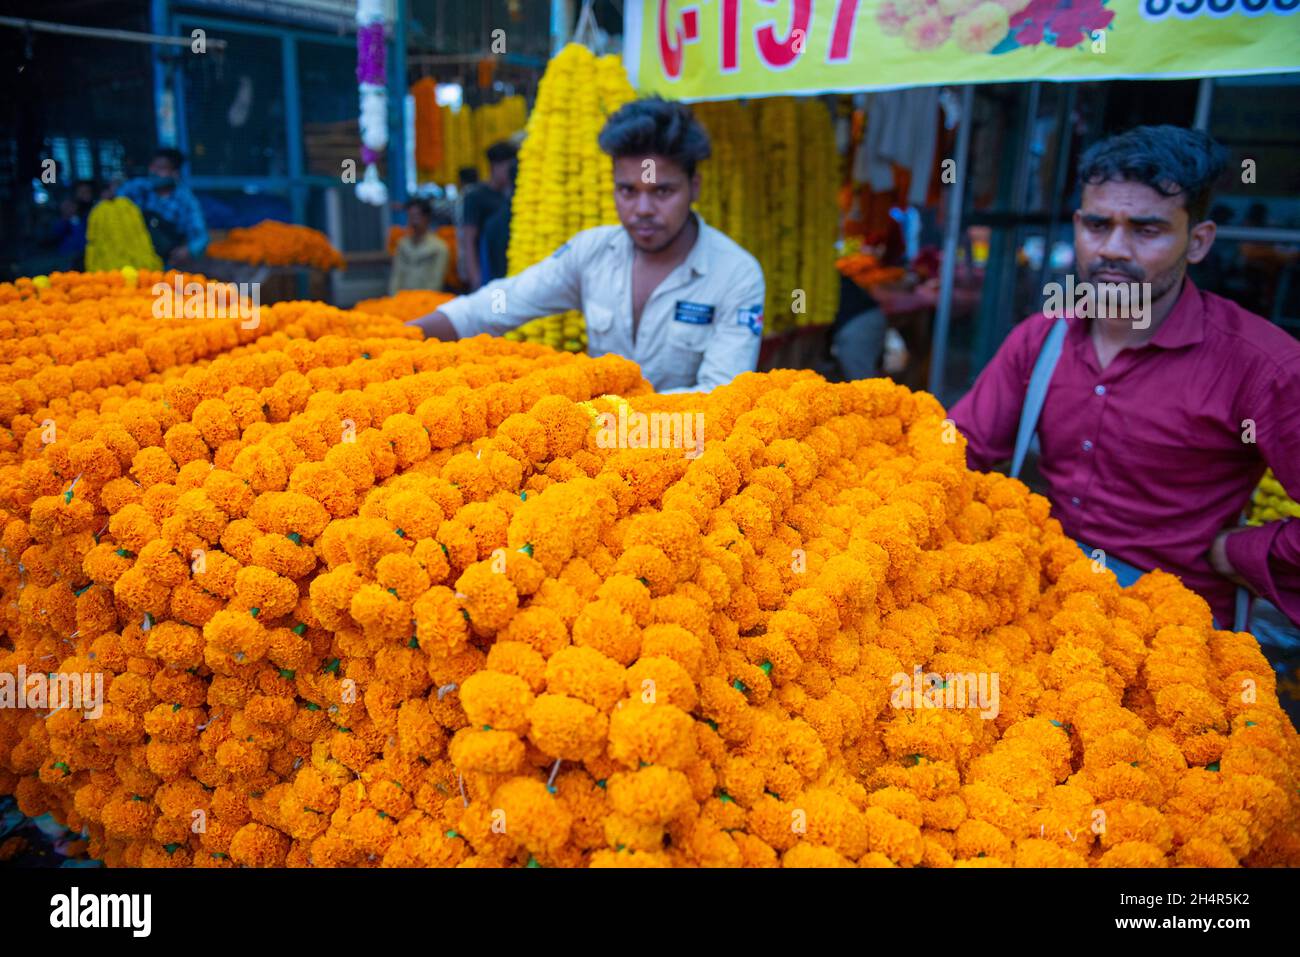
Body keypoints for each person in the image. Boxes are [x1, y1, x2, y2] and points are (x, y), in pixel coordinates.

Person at [949, 126, 1299, 653]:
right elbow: (956, 453)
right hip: (1041, 610)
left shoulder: (1261, 365)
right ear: (1077, 225)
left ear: (1198, 240)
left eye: (1146, 229)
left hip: (1174, 636)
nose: (1113, 248)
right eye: (1097, 224)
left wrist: (1241, 552)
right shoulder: (1042, 339)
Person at [408, 96, 765, 395]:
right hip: (597, 454)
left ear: (695, 187)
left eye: (662, 191)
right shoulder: (590, 253)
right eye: (628, 191)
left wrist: (610, 413)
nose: (642, 210)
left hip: (691, 457)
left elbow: (721, 395)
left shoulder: (736, 275)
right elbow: (494, 305)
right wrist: (399, 339)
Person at [118, 148, 209, 266]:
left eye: (161, 168)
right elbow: (116, 198)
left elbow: (201, 237)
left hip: (167, 261)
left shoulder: (185, 200)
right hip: (135, 257)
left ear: (175, 173)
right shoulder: (139, 188)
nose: (154, 171)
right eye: (152, 166)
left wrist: (187, 251)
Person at [459, 142, 517, 291]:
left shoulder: (511, 196)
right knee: (497, 307)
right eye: (507, 167)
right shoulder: (476, 197)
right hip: (490, 270)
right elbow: (468, 239)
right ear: (494, 166)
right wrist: (475, 277)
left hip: (509, 267)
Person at [389, 198, 449, 293]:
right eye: (410, 216)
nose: (413, 222)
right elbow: (396, 276)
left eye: (417, 216)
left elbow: (436, 281)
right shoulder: (402, 245)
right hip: (402, 300)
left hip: (426, 300)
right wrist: (394, 298)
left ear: (427, 218)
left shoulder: (439, 247)